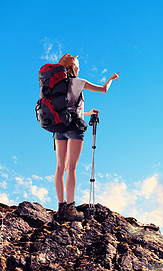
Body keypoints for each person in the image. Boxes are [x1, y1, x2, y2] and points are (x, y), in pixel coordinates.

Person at [55, 54, 119, 221]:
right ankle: (70, 208)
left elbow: (68, 110)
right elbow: (104, 89)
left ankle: (61, 207)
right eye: (77, 66)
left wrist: (88, 113)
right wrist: (111, 78)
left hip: (59, 128)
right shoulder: (79, 82)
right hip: (75, 129)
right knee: (72, 167)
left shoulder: (56, 85)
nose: (79, 68)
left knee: (60, 167)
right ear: (72, 68)